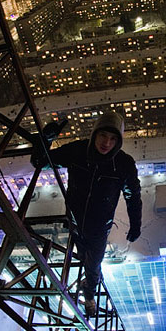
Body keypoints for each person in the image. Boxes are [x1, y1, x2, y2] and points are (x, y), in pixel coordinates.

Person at [32, 112, 142, 317]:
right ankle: (88, 277)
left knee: (93, 265)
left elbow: (133, 196)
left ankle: (89, 294)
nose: (106, 143)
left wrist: (136, 224)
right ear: (95, 134)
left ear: (118, 141)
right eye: (103, 136)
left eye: (113, 139)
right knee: (83, 256)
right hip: (74, 221)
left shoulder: (123, 164)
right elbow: (40, 161)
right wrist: (45, 139)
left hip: (99, 228)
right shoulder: (78, 150)